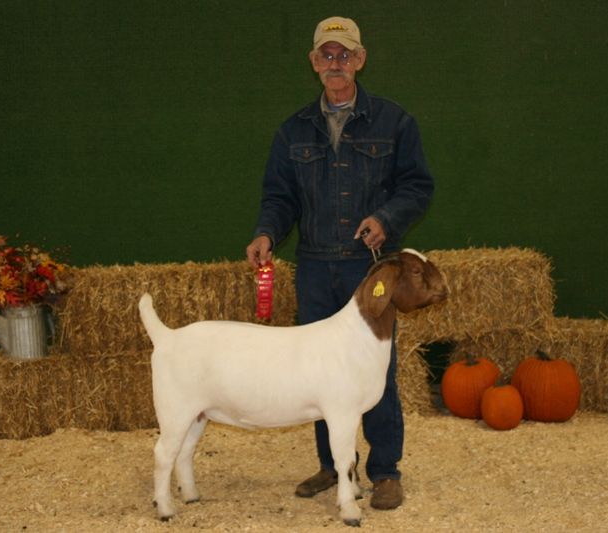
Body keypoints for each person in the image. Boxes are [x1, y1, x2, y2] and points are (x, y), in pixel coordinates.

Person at [245, 16, 434, 510]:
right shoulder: (292, 132)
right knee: (316, 375)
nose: (336, 63)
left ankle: (385, 471)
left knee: (378, 375)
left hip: (368, 270)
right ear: (313, 63)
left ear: (360, 59)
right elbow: (279, 196)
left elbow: (417, 187)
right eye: (327, 55)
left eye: (344, 55)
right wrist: (267, 232)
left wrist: (385, 218)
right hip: (313, 268)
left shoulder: (395, 123)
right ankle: (334, 467)